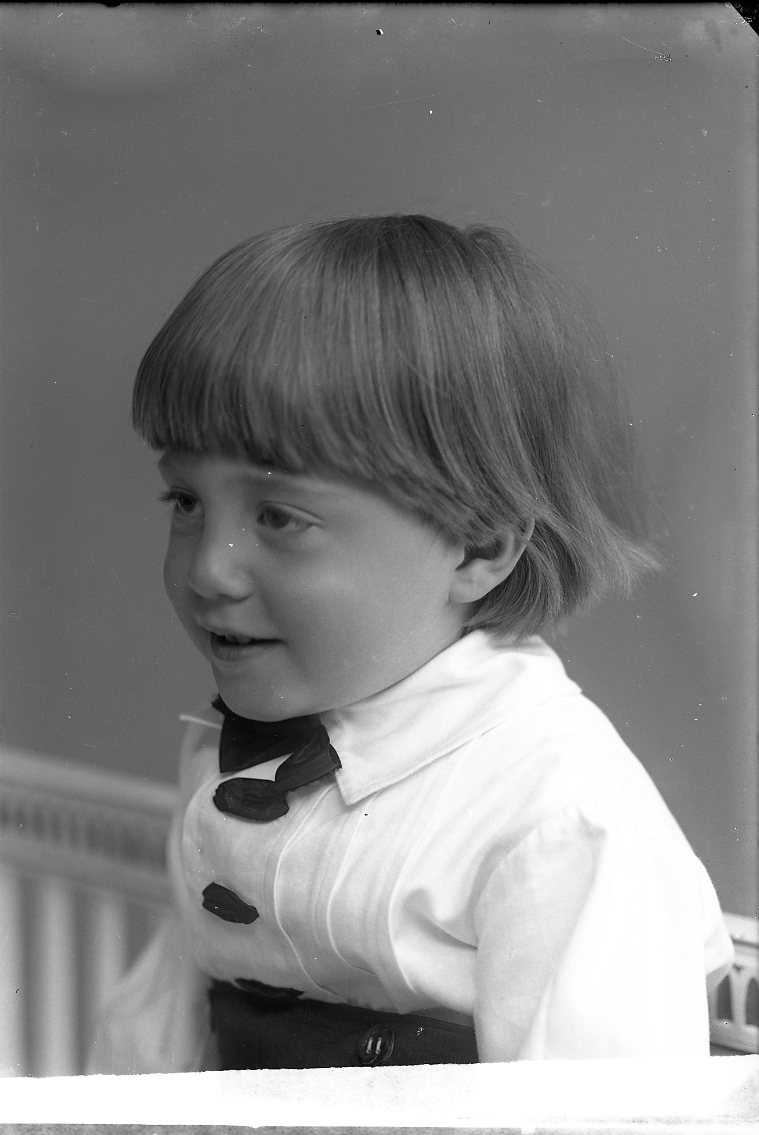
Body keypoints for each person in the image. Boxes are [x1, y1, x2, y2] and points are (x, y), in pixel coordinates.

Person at [90, 215, 733, 1072]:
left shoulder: (560, 815)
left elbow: (594, 1108)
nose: (210, 568)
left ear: (475, 546)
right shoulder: (231, 749)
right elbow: (164, 1024)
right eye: (185, 502)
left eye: (279, 516)